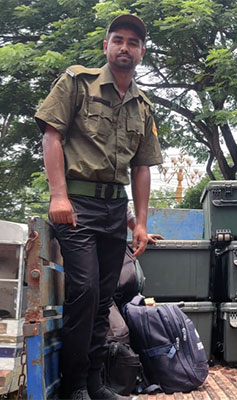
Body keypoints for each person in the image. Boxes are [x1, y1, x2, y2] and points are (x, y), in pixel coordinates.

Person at [35, 14, 162, 400]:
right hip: (76, 206)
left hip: (113, 211)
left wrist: (139, 223)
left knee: (104, 299)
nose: (125, 47)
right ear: (106, 46)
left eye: (133, 43)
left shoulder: (142, 105)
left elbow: (141, 168)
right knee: (85, 292)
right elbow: (51, 135)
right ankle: (74, 387)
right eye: (118, 40)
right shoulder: (78, 81)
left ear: (141, 52)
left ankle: (94, 383)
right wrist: (58, 195)